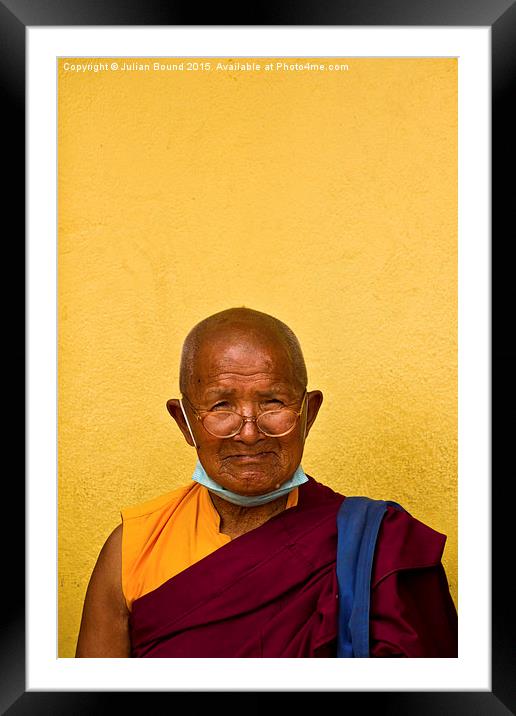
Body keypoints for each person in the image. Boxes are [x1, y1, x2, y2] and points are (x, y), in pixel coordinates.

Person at [75, 307, 458, 658]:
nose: (248, 431)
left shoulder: (377, 545)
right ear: (184, 422)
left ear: (309, 414)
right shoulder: (132, 549)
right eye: (221, 405)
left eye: (273, 402)